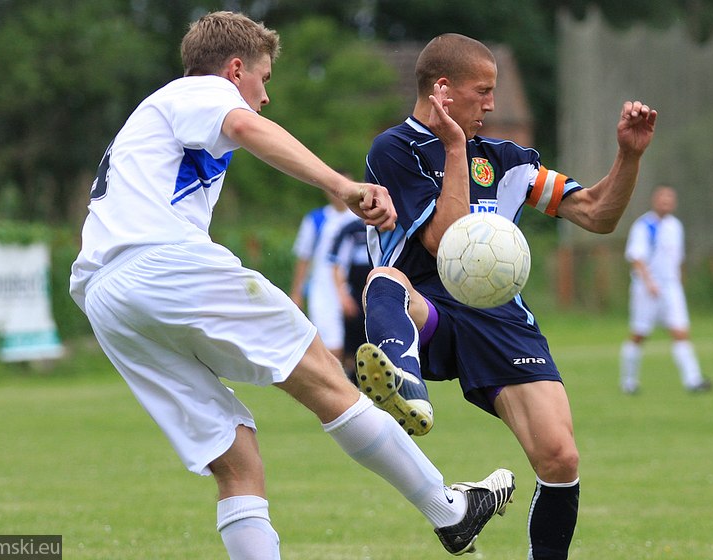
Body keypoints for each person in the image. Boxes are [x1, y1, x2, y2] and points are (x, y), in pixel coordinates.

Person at [69, 13, 515, 559]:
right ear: (235, 70)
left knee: (237, 462)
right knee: (327, 379)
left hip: (106, 298)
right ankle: (449, 511)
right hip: (162, 265)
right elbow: (247, 128)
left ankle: (445, 510)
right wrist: (343, 186)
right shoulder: (200, 91)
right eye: (264, 79)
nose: (265, 97)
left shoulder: (154, 120)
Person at [355, 33, 657, 559]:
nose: (492, 104)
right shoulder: (394, 150)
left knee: (560, 458)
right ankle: (406, 383)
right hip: (425, 313)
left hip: (499, 319)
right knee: (385, 282)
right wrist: (454, 148)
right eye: (483, 91)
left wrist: (627, 157)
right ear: (443, 90)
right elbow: (443, 240)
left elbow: (597, 215)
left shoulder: (507, 160)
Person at [620, 185, 712, 394]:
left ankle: (693, 380)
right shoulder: (645, 225)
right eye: (663, 199)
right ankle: (629, 382)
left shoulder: (675, 226)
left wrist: (679, 281)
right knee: (639, 334)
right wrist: (649, 282)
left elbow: (677, 260)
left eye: (670, 199)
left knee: (680, 332)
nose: (666, 203)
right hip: (647, 287)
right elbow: (636, 257)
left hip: (671, 286)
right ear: (655, 201)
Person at [289, 191, 356, 362]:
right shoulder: (316, 219)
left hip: (355, 285)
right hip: (323, 288)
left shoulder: (359, 218)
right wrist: (297, 292)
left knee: (355, 344)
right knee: (331, 342)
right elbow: (304, 258)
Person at [328, 216, 371, 375]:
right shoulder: (350, 230)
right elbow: (336, 264)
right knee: (351, 350)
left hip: (377, 293)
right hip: (354, 295)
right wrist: (343, 295)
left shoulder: (389, 225)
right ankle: (352, 390)